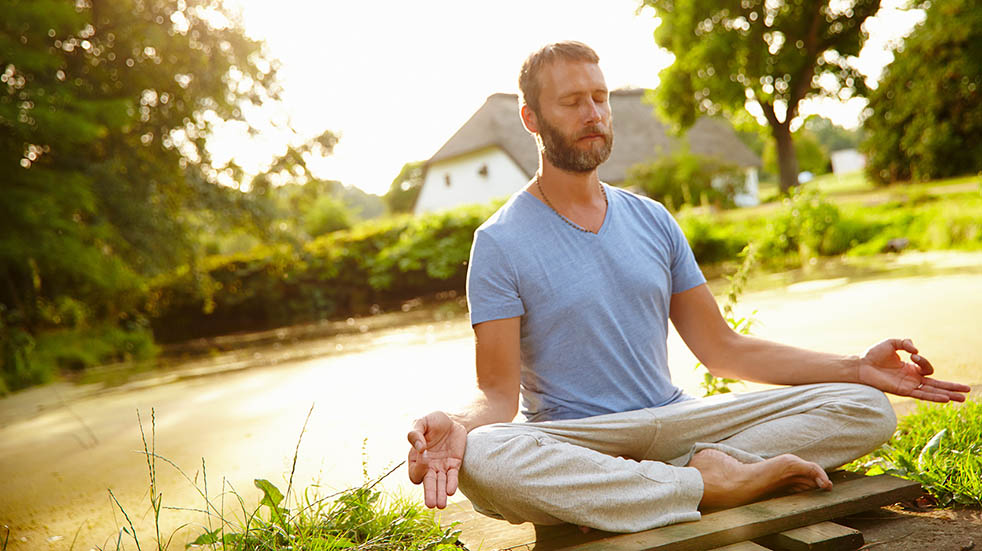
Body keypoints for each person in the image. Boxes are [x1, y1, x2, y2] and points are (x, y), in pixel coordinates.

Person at [406, 41, 970, 533]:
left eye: (600, 97)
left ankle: (674, 481)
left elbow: (723, 350)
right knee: (486, 457)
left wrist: (855, 366)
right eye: (572, 101)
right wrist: (455, 426)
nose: (593, 113)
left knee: (865, 407)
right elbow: (500, 396)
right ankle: (706, 485)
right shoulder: (500, 241)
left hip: (683, 422)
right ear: (531, 119)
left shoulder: (653, 219)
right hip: (583, 439)